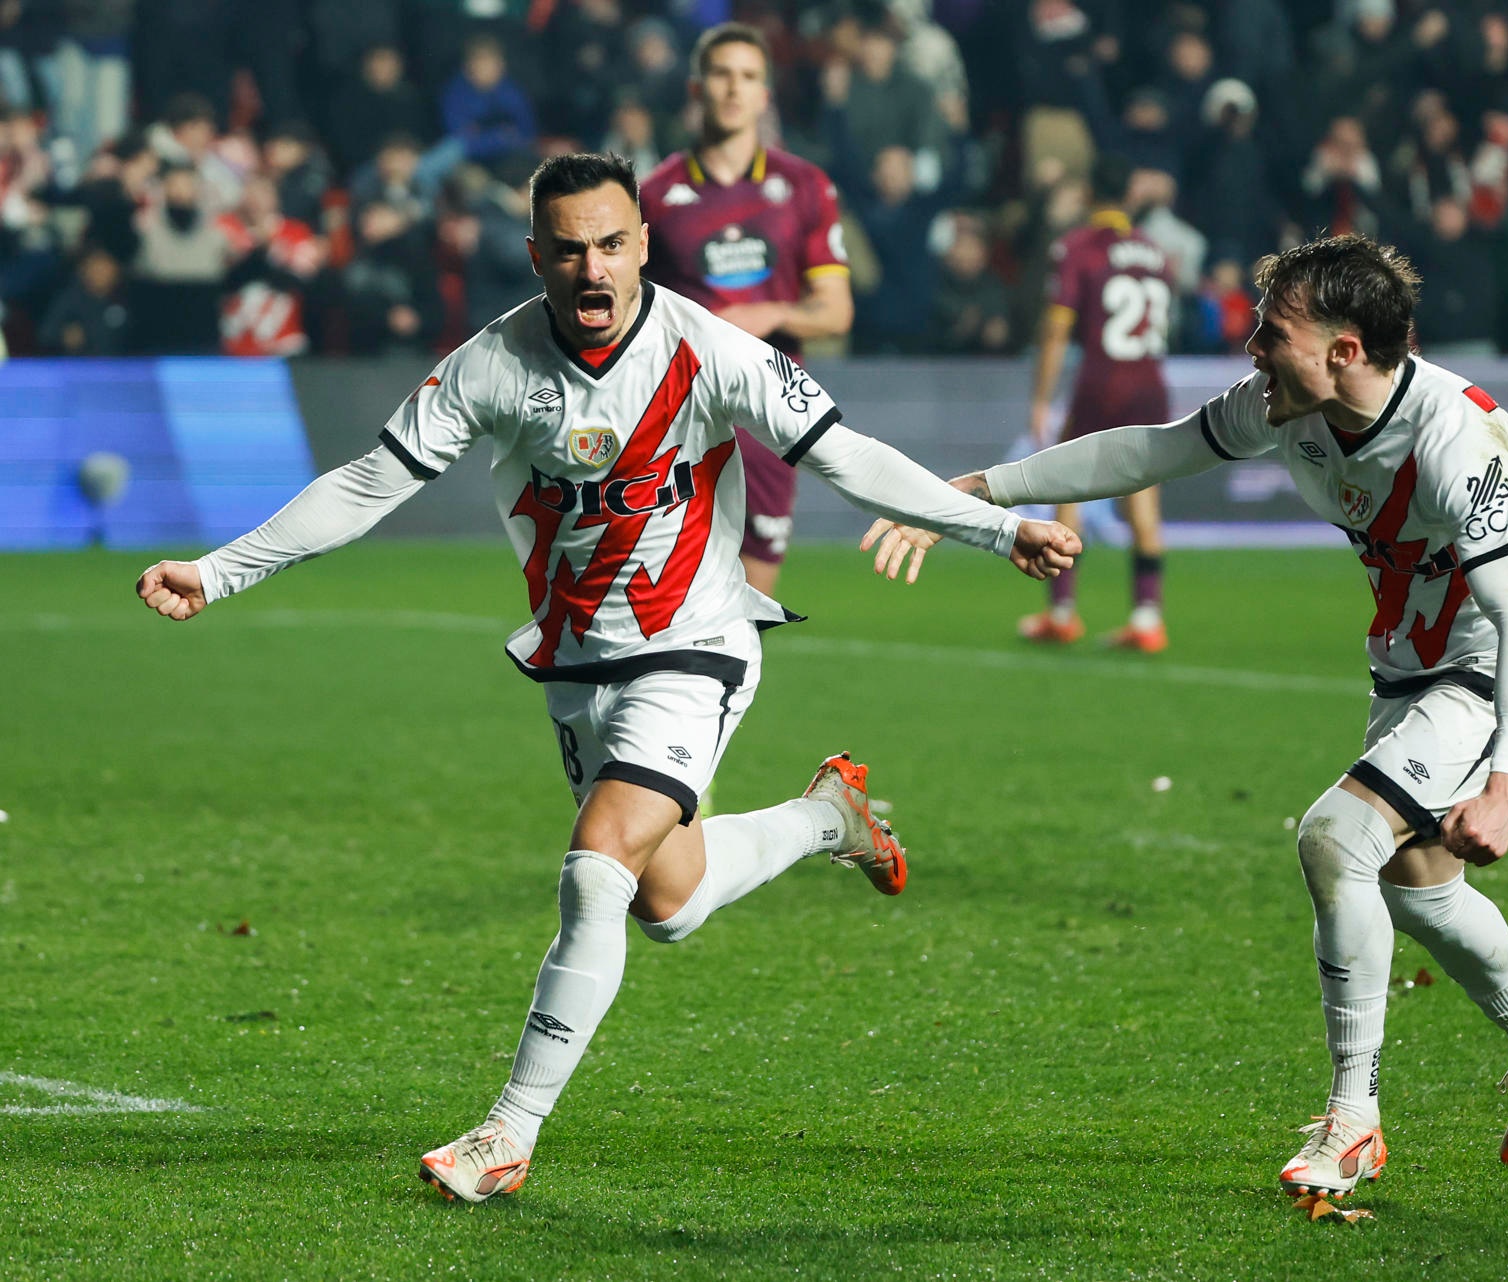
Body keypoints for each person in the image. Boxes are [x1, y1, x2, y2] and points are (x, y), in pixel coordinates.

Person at [134, 151, 1080, 1205]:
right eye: (571, 248)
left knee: (596, 864)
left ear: (642, 245)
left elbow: (846, 456)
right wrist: (219, 572)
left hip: (696, 644)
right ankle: (829, 818)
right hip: (575, 665)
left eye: (613, 243)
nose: (594, 269)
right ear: (538, 254)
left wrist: (998, 530)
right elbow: (368, 483)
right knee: (665, 900)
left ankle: (508, 1131)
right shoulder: (493, 364)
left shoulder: (708, 348)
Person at [862, 233, 1508, 1198]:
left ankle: (1354, 1121)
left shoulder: (1459, 439)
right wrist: (978, 493)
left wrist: (1507, 787)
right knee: (1416, 888)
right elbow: (1148, 450)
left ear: (1344, 348)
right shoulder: (1283, 407)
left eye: (1274, 331)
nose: (1252, 347)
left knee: (1338, 838)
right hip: (1411, 674)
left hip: (1501, 670)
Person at [639, 22, 853, 598]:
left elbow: (835, 312)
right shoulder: (654, 196)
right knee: (665, 603)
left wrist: (767, 315)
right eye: (721, 74)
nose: (735, 89)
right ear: (696, 88)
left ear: (765, 95)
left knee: (752, 605)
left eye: (749, 77)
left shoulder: (804, 186)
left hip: (768, 410)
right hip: (678, 416)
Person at [1023, 153, 1174, 652]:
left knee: (1070, 485)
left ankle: (1063, 612)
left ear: (1089, 196)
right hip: (1151, 382)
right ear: (1129, 196)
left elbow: (1058, 328)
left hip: (1102, 380)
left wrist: (1042, 397)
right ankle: (1148, 618)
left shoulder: (1077, 249)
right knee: (1143, 496)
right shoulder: (1156, 252)